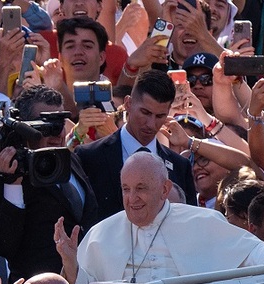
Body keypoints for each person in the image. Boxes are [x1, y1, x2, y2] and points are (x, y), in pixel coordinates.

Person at [60, 152, 264, 284]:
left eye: (141, 188)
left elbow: (249, 249)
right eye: (126, 189)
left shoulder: (201, 220)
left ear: (165, 189)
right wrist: (71, 264)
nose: (132, 199)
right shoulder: (102, 234)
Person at [0, 86, 99, 283]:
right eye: (45, 124)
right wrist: (12, 185)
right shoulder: (6, 173)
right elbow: (5, 245)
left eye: (59, 122)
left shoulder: (72, 160)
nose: (55, 132)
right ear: (24, 127)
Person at [74, 70, 197, 218]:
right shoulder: (89, 157)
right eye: (145, 112)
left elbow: (190, 224)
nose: (151, 124)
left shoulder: (179, 167)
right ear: (128, 104)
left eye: (160, 116)